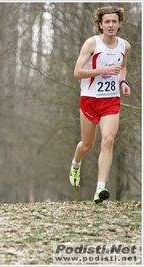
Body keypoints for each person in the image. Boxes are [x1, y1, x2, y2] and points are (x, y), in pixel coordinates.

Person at [69, 6, 131, 203]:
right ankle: (76, 164)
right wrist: (102, 69)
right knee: (87, 145)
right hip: (89, 98)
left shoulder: (125, 46)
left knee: (108, 140)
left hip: (111, 100)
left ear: (119, 24)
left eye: (114, 21)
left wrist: (123, 82)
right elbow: (78, 73)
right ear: (100, 25)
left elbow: (122, 66)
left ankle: (100, 188)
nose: (111, 25)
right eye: (107, 22)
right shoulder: (91, 44)